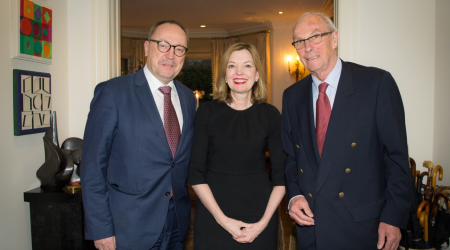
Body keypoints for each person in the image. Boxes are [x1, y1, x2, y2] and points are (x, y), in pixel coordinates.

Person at [281, 12, 411, 250]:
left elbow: (397, 158)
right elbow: (291, 158)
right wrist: (294, 196)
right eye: (299, 42)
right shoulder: (292, 96)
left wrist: (393, 217)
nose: (307, 48)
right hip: (311, 228)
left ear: (335, 38)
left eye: (315, 37)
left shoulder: (376, 83)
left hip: (361, 227)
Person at [81, 20, 196, 250]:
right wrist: (101, 228)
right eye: (163, 45)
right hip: (128, 227)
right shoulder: (112, 93)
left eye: (179, 49)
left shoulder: (188, 98)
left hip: (177, 223)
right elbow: (93, 167)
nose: (171, 54)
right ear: (146, 47)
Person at [187, 43, 286, 249]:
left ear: (257, 74)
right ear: (224, 74)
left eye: (247, 65)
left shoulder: (270, 114)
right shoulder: (206, 113)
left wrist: (263, 224)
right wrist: (223, 220)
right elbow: (195, 173)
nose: (239, 72)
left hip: (260, 217)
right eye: (232, 66)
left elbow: (281, 176)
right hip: (213, 217)